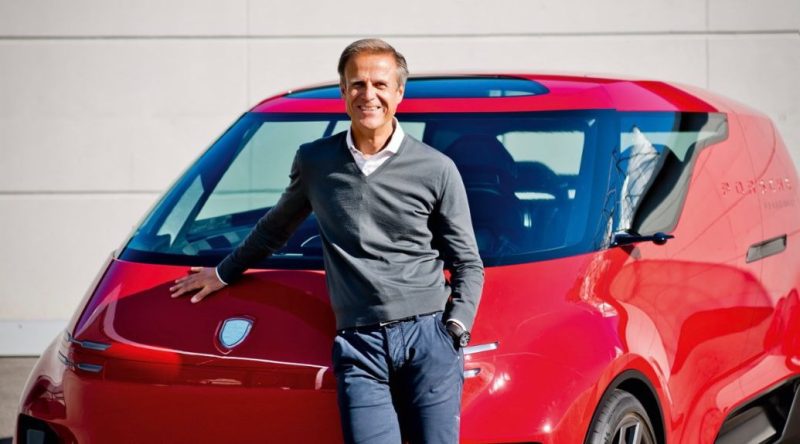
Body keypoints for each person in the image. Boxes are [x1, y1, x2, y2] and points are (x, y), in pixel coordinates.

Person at [169, 38, 484, 444]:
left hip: (428, 339)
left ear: (399, 93)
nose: (368, 95)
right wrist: (222, 273)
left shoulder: (436, 168)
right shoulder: (315, 161)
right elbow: (275, 228)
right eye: (357, 84)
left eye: (380, 85)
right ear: (343, 91)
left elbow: (467, 262)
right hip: (359, 345)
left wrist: (454, 329)